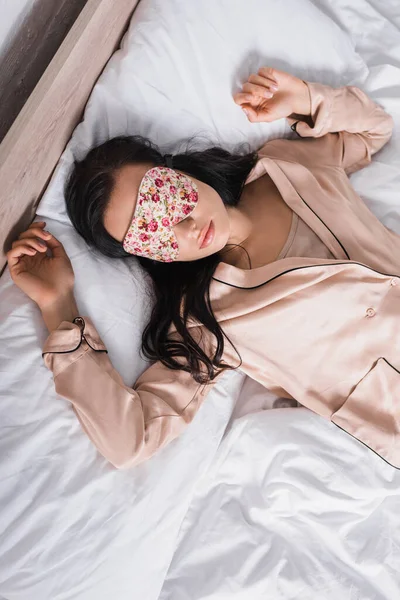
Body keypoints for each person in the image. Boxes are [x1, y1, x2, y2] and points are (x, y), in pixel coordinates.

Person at [7, 66, 398, 470]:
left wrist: (307, 99)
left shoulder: (284, 166)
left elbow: (372, 132)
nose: (188, 226)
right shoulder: (206, 323)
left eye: (168, 197)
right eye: (153, 232)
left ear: (178, 171)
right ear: (150, 255)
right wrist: (58, 307)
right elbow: (132, 440)